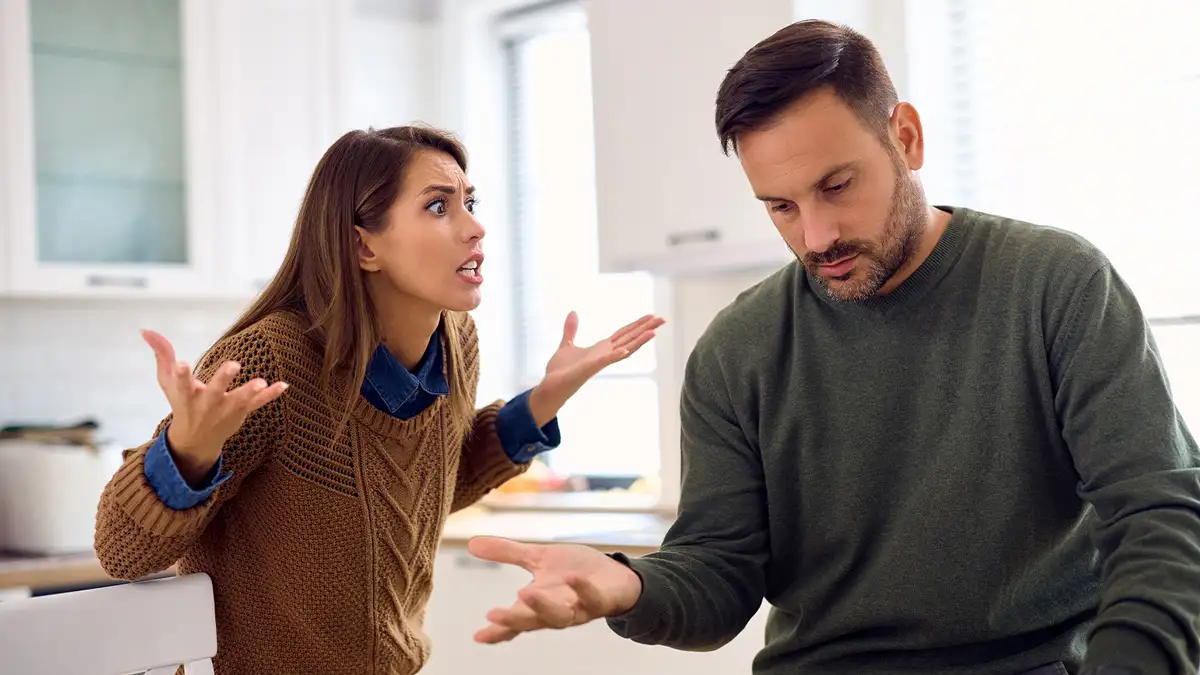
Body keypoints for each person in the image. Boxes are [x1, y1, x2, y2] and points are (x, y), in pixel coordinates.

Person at [465, 19, 1200, 675]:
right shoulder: (737, 351)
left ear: (905, 137)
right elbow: (720, 574)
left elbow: (1160, 511)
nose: (816, 237)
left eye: (837, 185)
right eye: (781, 206)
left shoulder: (1054, 284)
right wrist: (626, 583)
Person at [93, 125, 664, 675]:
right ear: (364, 245)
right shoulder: (271, 363)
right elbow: (120, 554)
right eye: (439, 207)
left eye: (471, 201)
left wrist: (543, 400)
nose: (476, 227)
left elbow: (421, 490)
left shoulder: (454, 341)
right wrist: (187, 451)